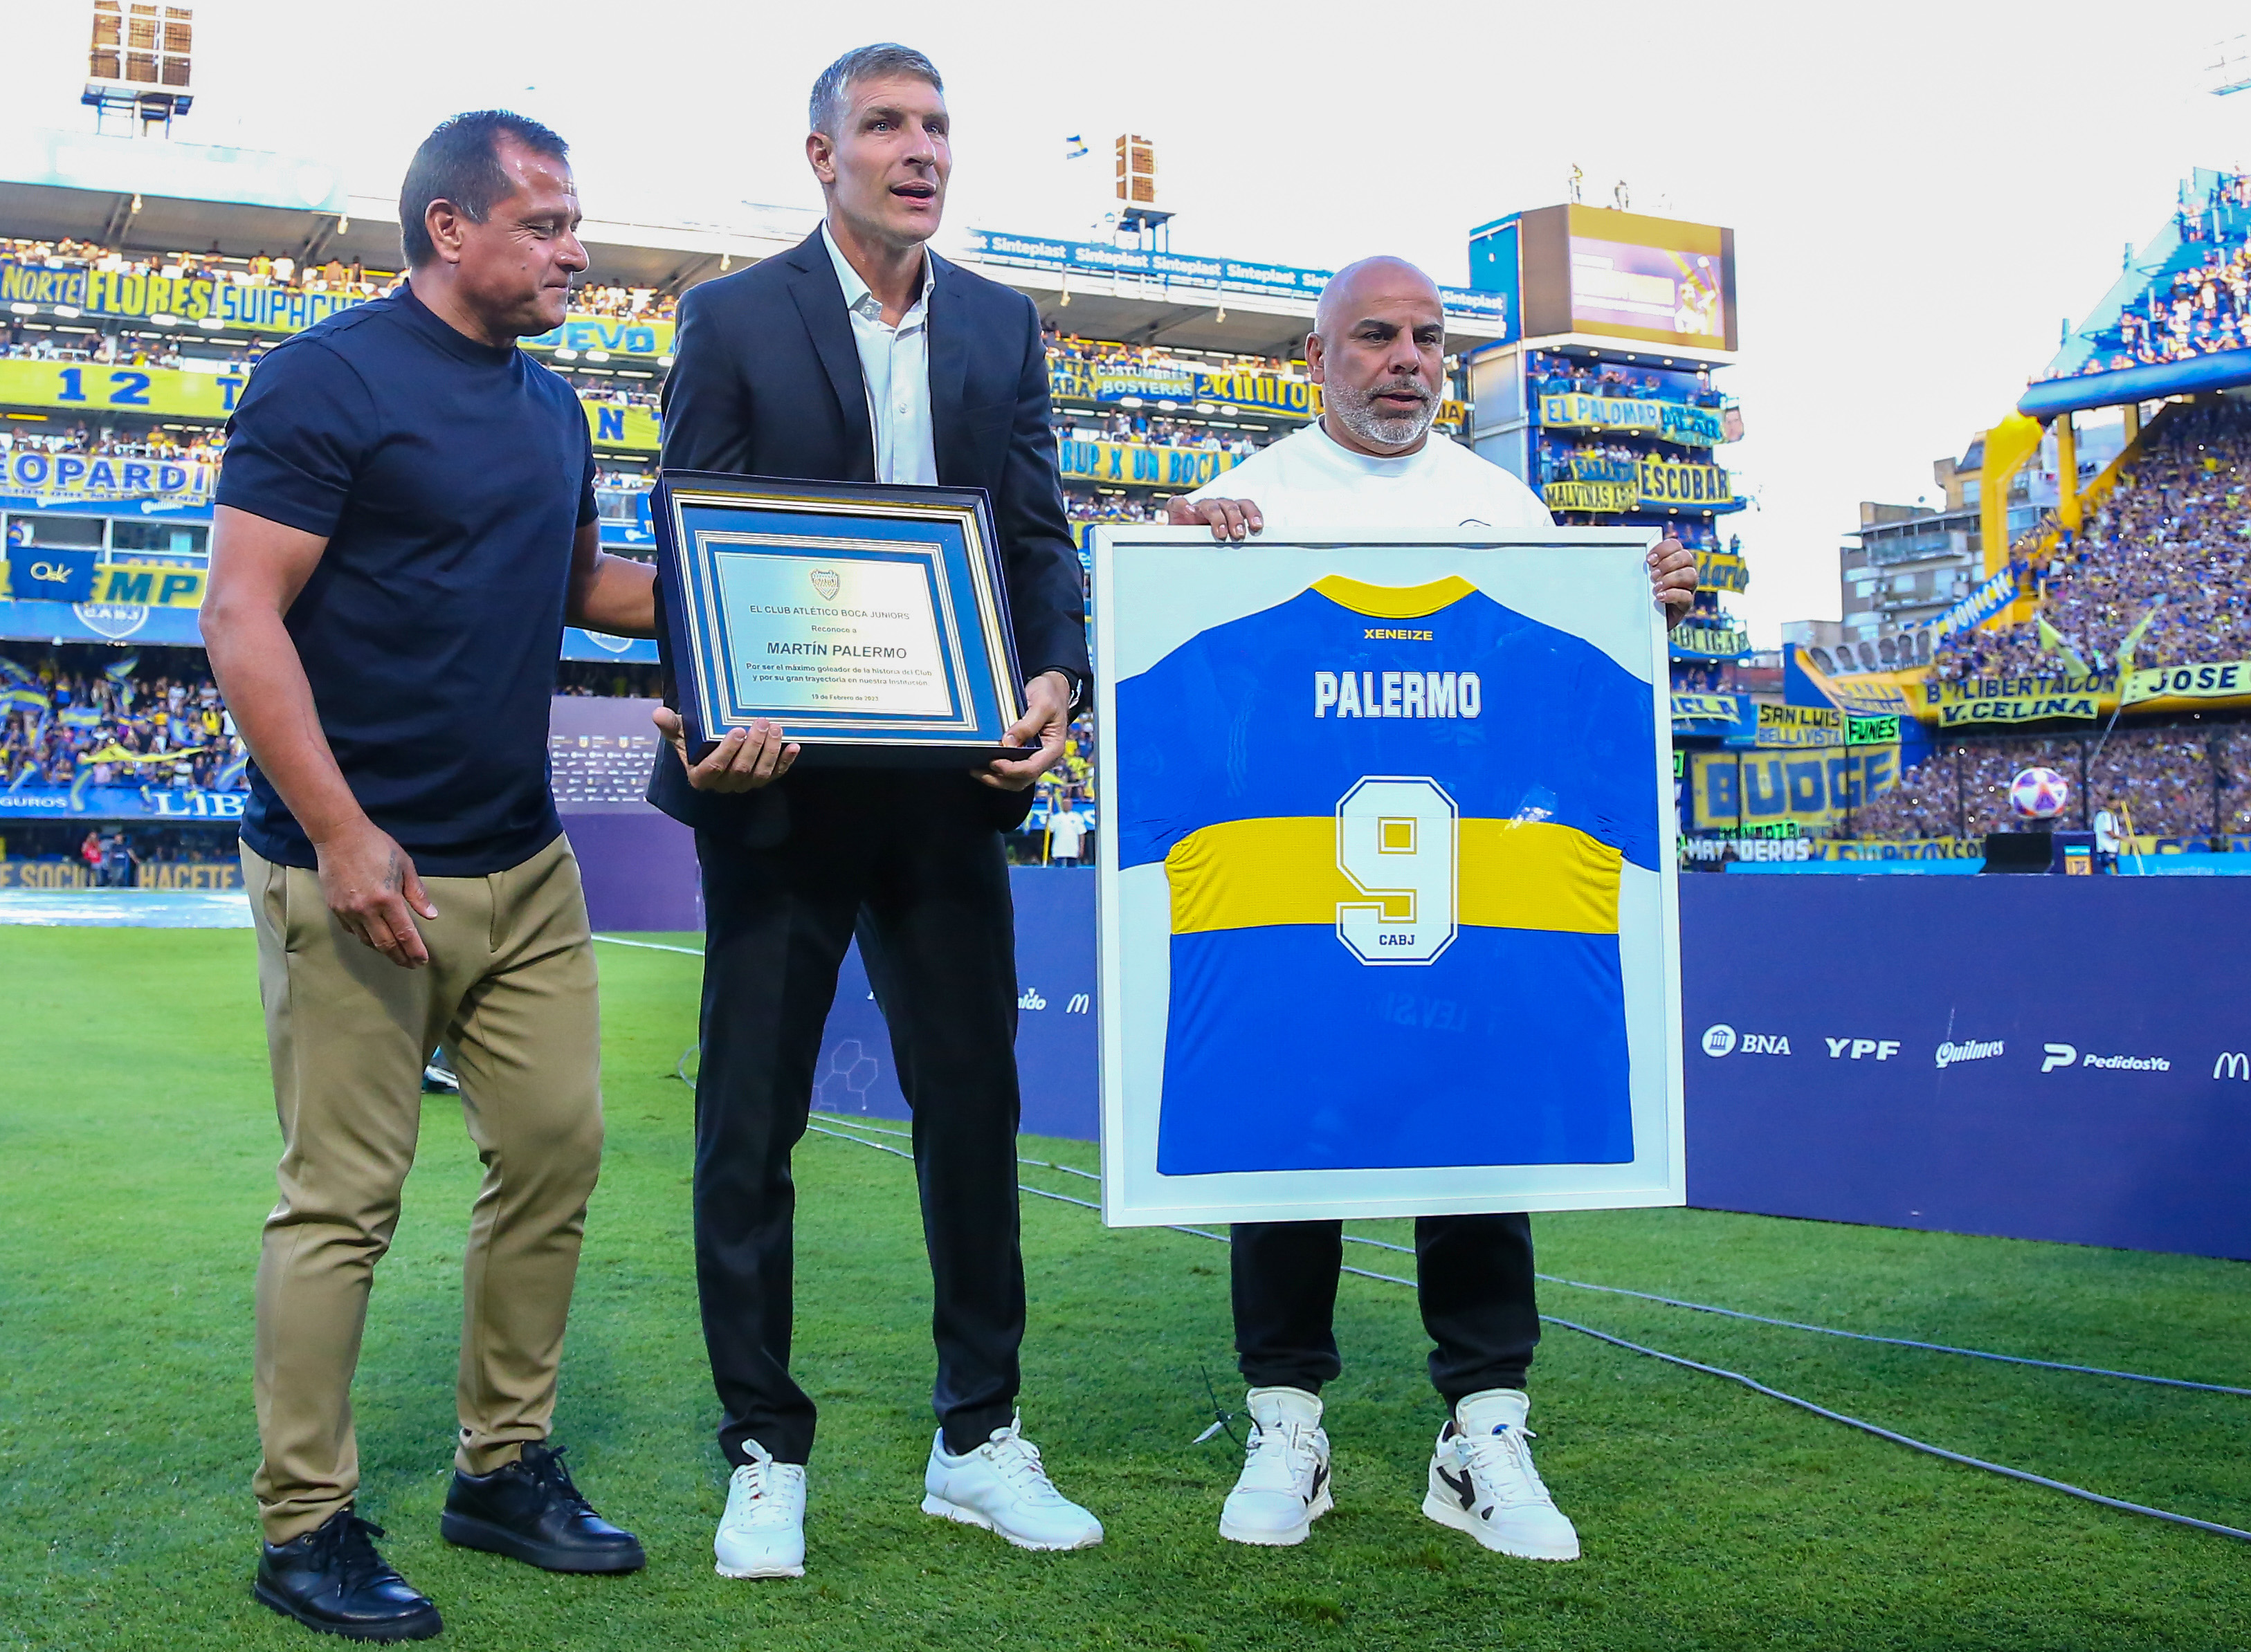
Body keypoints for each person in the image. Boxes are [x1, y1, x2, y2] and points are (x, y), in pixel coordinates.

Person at [201, 111, 673, 1641]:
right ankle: (306, 1524)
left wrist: (767, 600)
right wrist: (339, 833)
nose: (574, 252)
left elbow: (584, 590)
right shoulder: (325, 379)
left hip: (520, 859)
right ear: (450, 229)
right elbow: (241, 617)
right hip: (361, 865)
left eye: (573, 222)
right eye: (543, 224)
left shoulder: (549, 410)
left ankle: (501, 1465)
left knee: (553, 1154)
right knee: (342, 1201)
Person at [646, 43, 1099, 1580]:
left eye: (937, 127)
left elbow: (1037, 536)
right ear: (822, 154)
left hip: (952, 788)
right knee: (746, 1123)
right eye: (887, 127)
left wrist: (1052, 683)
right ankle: (762, 1448)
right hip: (780, 795)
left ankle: (977, 1437)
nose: (919, 151)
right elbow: (689, 524)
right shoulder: (731, 315)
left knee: (972, 1114)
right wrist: (715, 711)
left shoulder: (996, 322)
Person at [1166, 256, 1695, 1563]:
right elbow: (1195, 702)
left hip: (1467, 894)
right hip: (1300, 899)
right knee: (1289, 1145)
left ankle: (1485, 1428)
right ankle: (1288, 1419)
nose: (1406, 360)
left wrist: (1634, 605)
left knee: (1480, 1139)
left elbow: (1554, 707)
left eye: (1427, 340)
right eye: (1375, 337)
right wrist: (1175, 567)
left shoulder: (1500, 501)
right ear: (1317, 356)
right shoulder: (1248, 502)